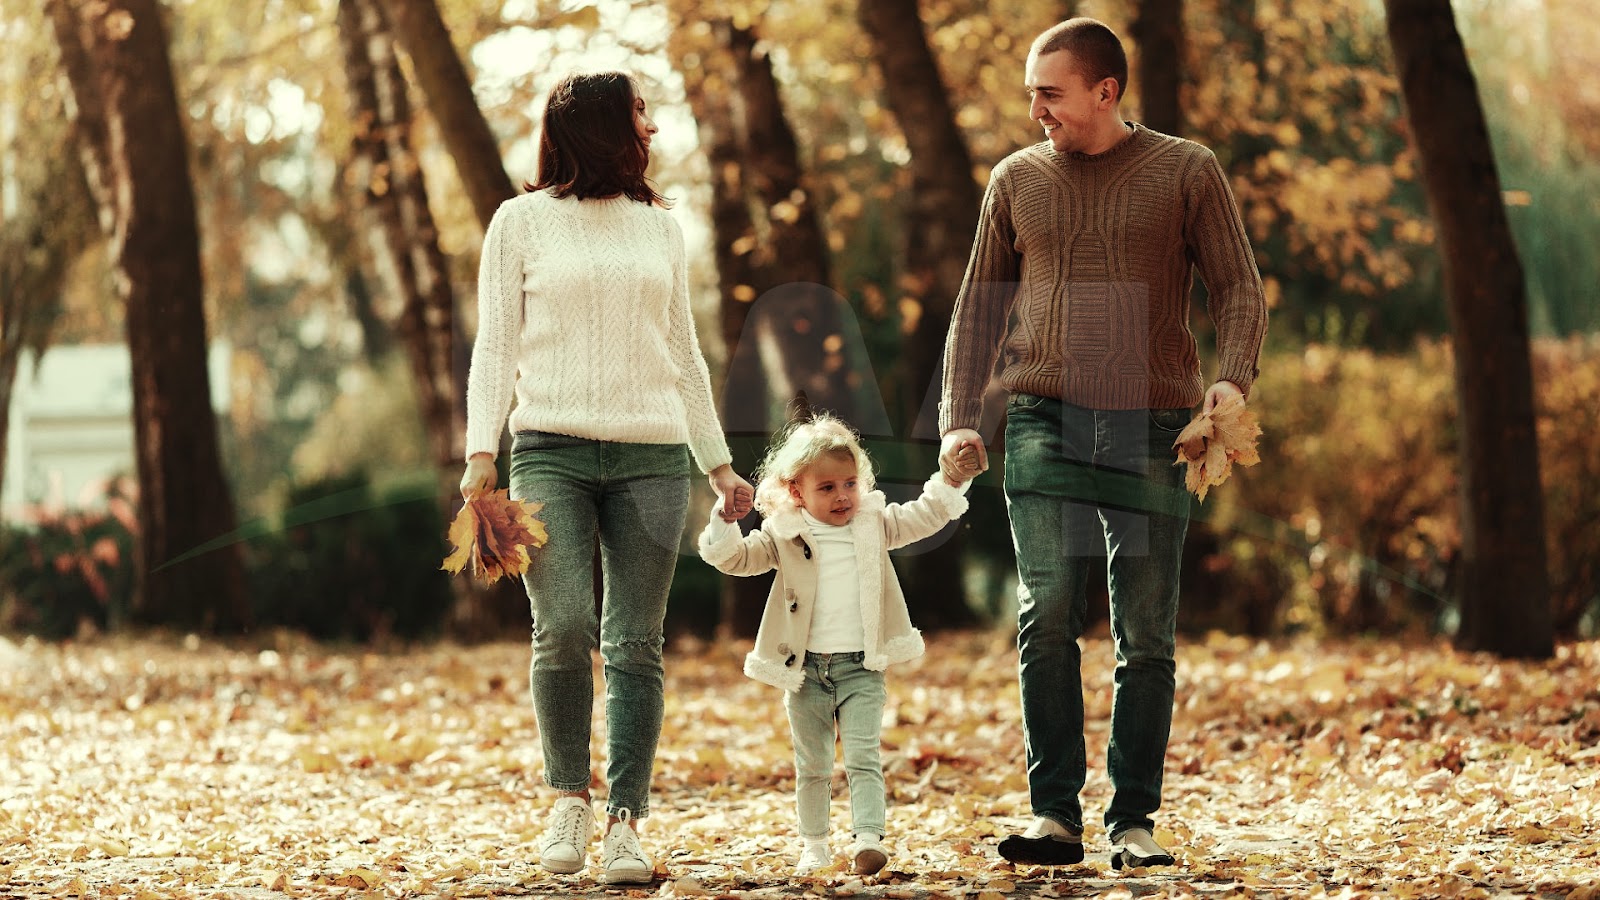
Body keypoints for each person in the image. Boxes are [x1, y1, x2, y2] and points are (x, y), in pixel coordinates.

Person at [936, 18, 1269, 870]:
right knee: (1046, 611)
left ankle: (1132, 820)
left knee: (1144, 630)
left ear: (1105, 91)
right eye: (1031, 94)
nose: (1036, 109)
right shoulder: (1015, 180)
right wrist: (959, 416)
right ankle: (1054, 817)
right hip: (1044, 415)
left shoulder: (1187, 169)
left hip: (1154, 426)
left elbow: (1239, 287)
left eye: (1049, 92)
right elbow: (978, 307)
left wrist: (1232, 378)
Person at [461, 69, 754, 884]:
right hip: (548, 447)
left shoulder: (660, 228)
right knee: (560, 627)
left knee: (634, 642)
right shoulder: (519, 223)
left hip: (653, 458)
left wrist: (719, 462)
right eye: (637, 114)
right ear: (598, 127)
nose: (650, 127)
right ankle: (569, 800)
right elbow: (496, 345)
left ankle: (626, 820)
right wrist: (481, 450)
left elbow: (685, 351)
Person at [698, 415, 976, 877]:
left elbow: (925, 515)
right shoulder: (783, 534)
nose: (843, 496)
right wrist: (724, 521)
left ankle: (868, 839)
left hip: (861, 667)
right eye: (826, 488)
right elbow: (735, 558)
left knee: (864, 756)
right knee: (813, 764)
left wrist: (950, 480)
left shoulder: (873, 523)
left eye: (849, 483)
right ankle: (814, 846)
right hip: (804, 671)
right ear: (795, 491)